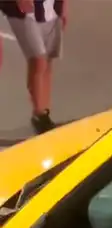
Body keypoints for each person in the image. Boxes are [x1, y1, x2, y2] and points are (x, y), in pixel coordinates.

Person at [0, 0, 66, 134]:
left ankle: (44, 114)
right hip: (24, 13)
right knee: (38, 60)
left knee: (47, 61)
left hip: (51, 10)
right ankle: (39, 114)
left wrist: (64, 7)